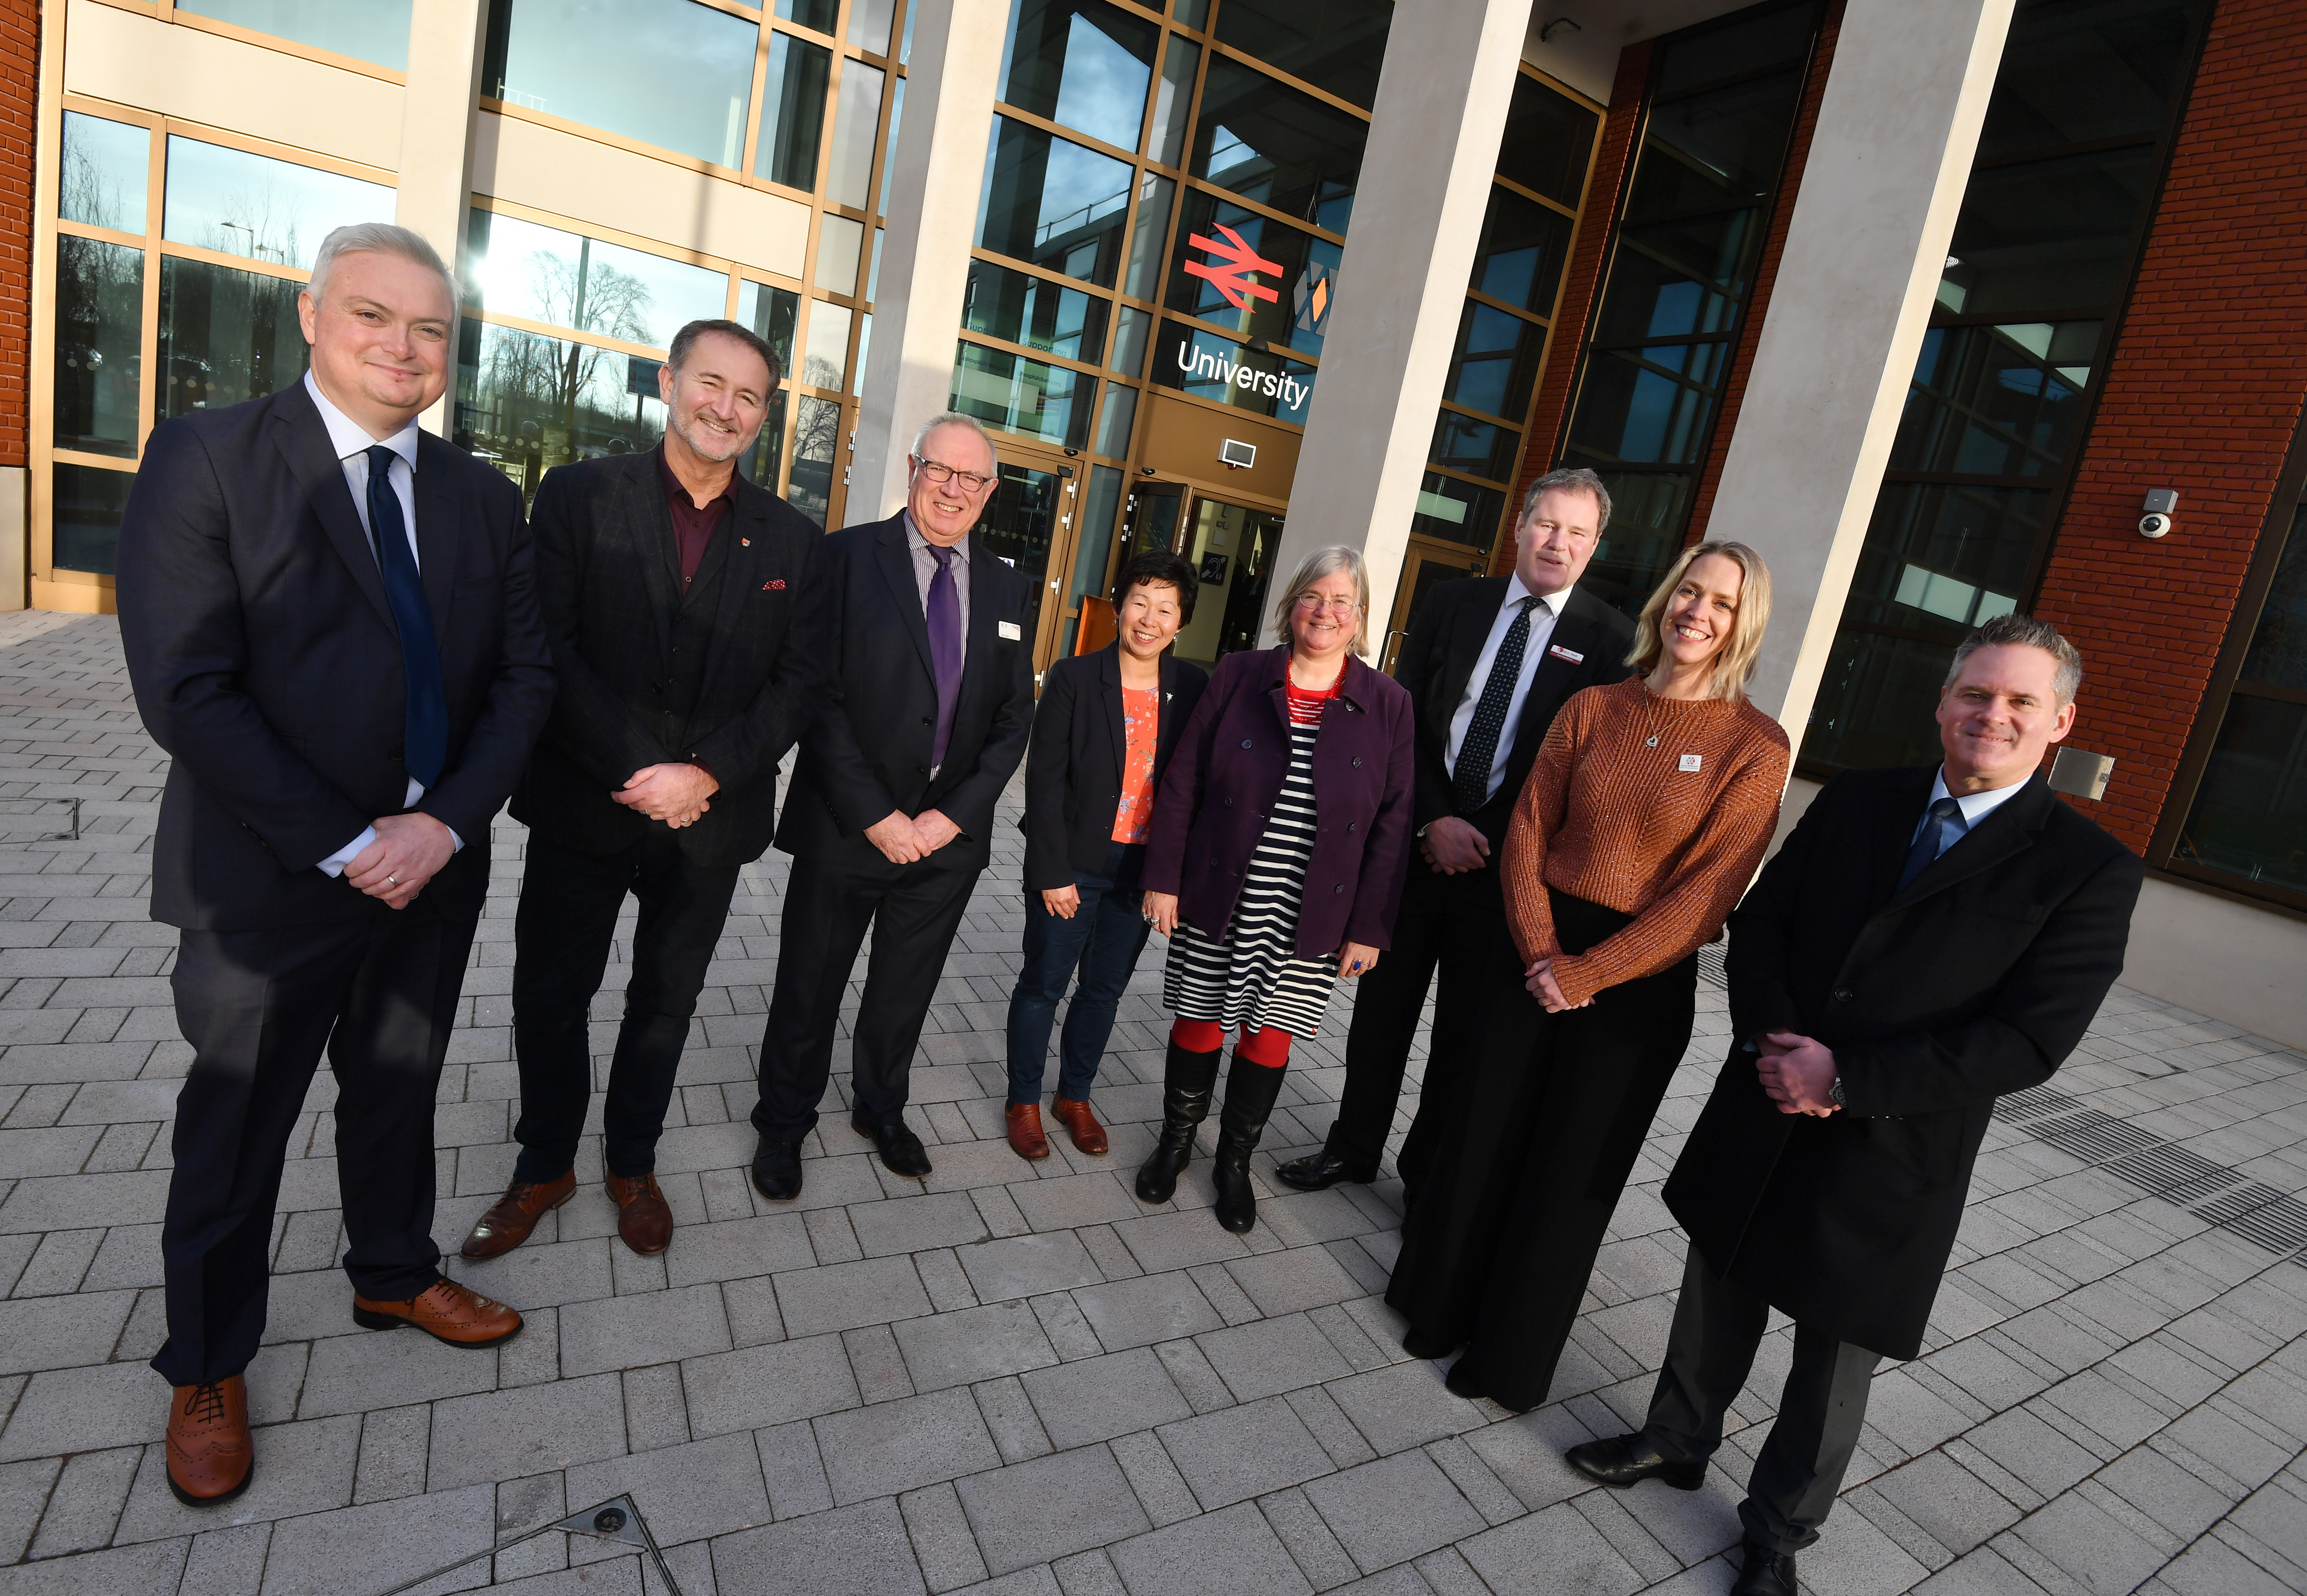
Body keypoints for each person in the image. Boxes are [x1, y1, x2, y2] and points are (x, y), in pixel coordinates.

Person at [1566, 613, 2142, 1596]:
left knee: (1836, 1352)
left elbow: (2030, 1038)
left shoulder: (2086, 868)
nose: (1990, 715)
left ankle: (1780, 1530)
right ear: (1943, 700)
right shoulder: (1862, 799)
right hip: (1769, 1090)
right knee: (1721, 1280)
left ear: (2060, 723)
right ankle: (1677, 1437)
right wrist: (1776, 1041)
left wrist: (1846, 1078)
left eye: (2018, 702)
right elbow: (1765, 922)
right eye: (1975, 692)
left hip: (1893, 1139)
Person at [114, 223, 554, 1507]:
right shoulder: (209, 457)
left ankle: (393, 1271)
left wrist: (444, 826)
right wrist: (354, 840)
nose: (403, 348)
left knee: (398, 1086)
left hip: (431, 874)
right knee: (237, 1128)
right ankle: (206, 1358)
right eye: (373, 317)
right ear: (313, 318)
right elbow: (187, 689)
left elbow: (525, 682)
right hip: (267, 881)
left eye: (429, 329)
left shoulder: (482, 495)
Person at [1386, 541, 1789, 1412]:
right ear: (1664, 600)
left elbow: (1707, 896)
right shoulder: (1594, 704)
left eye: (1721, 602)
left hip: (1635, 984)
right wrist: (1541, 950)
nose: (1697, 611)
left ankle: (1506, 1357)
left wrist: (1588, 971)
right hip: (1531, 945)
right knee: (1481, 1133)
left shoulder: (1756, 745)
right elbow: (1529, 826)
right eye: (1689, 590)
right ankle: (1435, 1303)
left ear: (1742, 623)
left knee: (1566, 1178)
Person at [461, 320, 824, 1264]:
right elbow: (549, 649)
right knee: (550, 994)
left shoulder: (792, 537)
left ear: (766, 412)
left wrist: (703, 774)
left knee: (665, 1000)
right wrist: (642, 770)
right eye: (711, 383)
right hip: (588, 803)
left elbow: (797, 683)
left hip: (711, 821)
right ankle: (544, 1161)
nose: (727, 408)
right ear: (669, 381)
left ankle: (632, 1160)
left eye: (749, 396)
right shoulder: (580, 496)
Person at [1277, 469, 1634, 1201]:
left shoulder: (1611, 640)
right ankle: (1352, 1147)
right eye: (1546, 524)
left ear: (1594, 547)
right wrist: (1436, 818)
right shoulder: (1453, 601)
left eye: (1576, 532)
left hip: (1507, 872)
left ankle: (1424, 1177)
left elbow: (1580, 771)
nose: (1557, 543)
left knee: (1462, 1040)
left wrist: (1490, 838)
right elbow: (1399, 718)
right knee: (1381, 1015)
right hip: (1418, 850)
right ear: (1519, 525)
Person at [749, 414, 1035, 1198]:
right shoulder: (842, 558)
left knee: (903, 989)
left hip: (946, 840)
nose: (953, 490)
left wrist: (953, 817)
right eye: (940, 471)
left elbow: (1014, 721)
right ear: (913, 469)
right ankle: (782, 1122)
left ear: (991, 491)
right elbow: (818, 695)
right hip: (849, 826)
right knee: (810, 985)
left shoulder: (1011, 586)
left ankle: (881, 1106)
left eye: (971, 479)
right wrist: (878, 815)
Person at [1137, 546, 1415, 1233]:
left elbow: (1393, 824)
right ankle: (1176, 1142)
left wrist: (1370, 927)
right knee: (1199, 1018)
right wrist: (1164, 881)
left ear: (1360, 619)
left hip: (1311, 903)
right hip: (1221, 884)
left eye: (1342, 602)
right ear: (1292, 604)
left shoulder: (1389, 704)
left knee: (1269, 1034)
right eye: (1314, 596)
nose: (1326, 611)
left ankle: (1234, 1162)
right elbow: (1183, 783)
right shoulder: (1239, 674)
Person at [1005, 551, 1210, 1161]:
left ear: (1181, 623)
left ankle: (1075, 1096)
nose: (1149, 619)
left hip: (1139, 873)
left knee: (1103, 990)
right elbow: (1043, 783)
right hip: (1073, 867)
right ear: (1119, 607)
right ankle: (1023, 1100)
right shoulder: (1074, 677)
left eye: (1165, 609)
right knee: (1043, 984)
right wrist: (1052, 872)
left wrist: (1170, 876)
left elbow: (1194, 787)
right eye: (1140, 602)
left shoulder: (1194, 687)